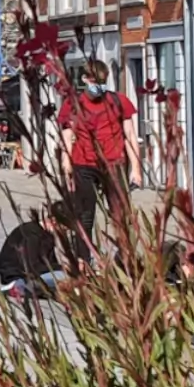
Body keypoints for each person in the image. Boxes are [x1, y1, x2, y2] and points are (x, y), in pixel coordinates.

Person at [57, 59, 142, 254]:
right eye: (95, 82)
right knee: (85, 215)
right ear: (85, 79)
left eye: (102, 83)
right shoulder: (73, 103)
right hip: (84, 164)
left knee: (120, 215)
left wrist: (136, 170)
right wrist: (66, 164)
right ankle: (83, 261)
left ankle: (125, 258)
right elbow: (67, 137)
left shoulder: (118, 101)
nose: (99, 87)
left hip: (114, 164)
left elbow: (130, 135)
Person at [0, 203, 70, 299]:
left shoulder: (48, 236)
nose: (64, 232)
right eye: (63, 229)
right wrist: (65, 268)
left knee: (70, 276)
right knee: (67, 277)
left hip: (33, 275)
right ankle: (18, 287)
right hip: (18, 277)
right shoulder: (32, 234)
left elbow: (49, 263)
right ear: (53, 221)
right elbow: (33, 267)